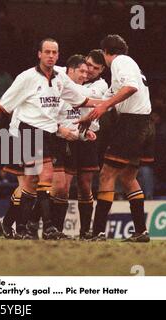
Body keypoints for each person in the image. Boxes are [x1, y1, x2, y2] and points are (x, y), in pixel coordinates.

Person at [0, 38, 101, 240]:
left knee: (31, 183)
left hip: (48, 134)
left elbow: (82, 100)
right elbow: (2, 106)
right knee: (45, 177)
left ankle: (12, 225)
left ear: (58, 55)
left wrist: (107, 103)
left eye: (54, 52)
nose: (51, 55)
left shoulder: (60, 79)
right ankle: (46, 226)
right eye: (47, 52)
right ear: (39, 54)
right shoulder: (26, 78)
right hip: (27, 131)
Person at [76, 34, 154, 242]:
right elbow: (108, 98)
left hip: (132, 123)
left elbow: (130, 88)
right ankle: (141, 231)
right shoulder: (128, 66)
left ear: (105, 52)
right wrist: (86, 108)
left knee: (106, 175)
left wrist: (103, 106)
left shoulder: (121, 61)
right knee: (128, 178)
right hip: (142, 123)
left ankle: (98, 231)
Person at [52, 54, 107, 240]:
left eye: (94, 68)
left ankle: (85, 232)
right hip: (65, 138)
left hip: (87, 138)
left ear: (102, 71)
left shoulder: (100, 86)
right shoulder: (65, 79)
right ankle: (54, 229)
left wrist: (65, 78)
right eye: (87, 66)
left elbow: (83, 96)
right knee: (61, 186)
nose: (89, 71)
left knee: (85, 186)